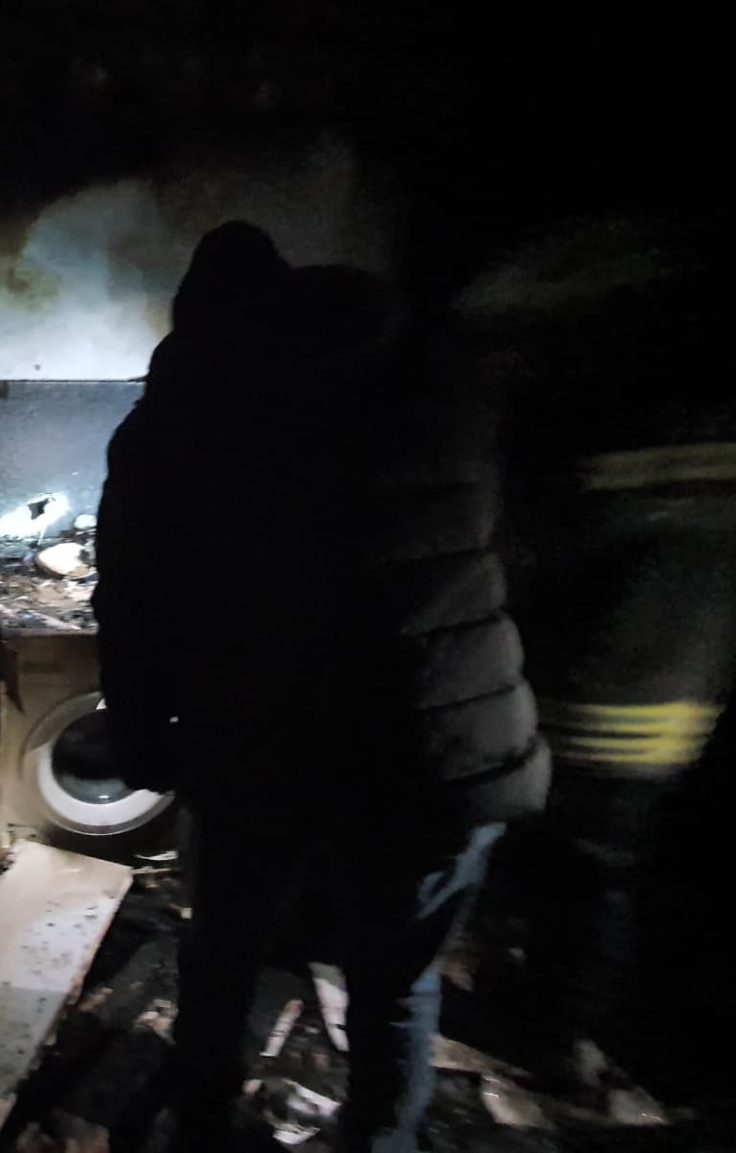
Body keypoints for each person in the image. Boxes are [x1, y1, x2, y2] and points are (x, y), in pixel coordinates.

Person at [93, 222, 550, 1153]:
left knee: (225, 952)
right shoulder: (440, 377)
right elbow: (499, 543)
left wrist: (142, 741)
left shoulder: (182, 411)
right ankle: (381, 1139)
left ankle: (202, 1125)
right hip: (445, 739)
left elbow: (135, 599)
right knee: (397, 983)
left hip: (271, 738)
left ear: (199, 320)